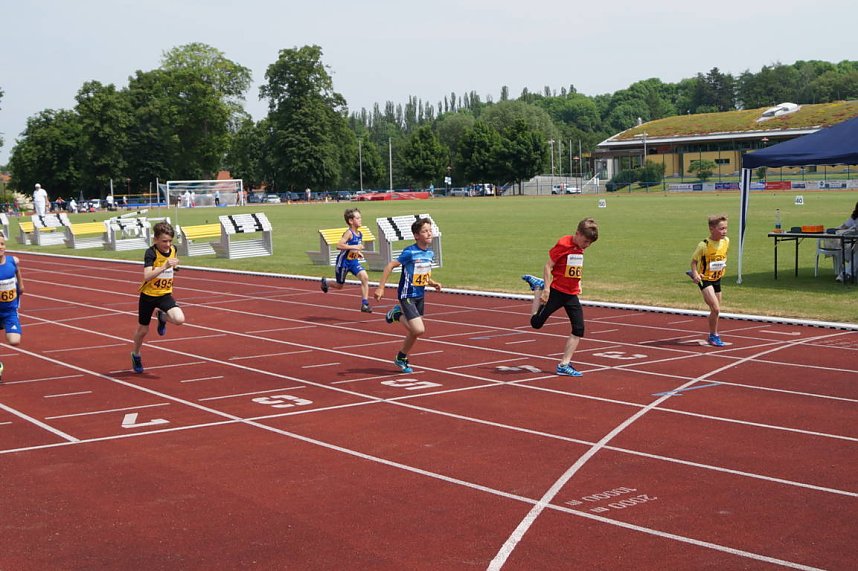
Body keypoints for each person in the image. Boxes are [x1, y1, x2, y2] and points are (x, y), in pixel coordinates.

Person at [521, 217, 599, 377]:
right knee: (536, 324)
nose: (587, 245)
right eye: (585, 241)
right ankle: (537, 287)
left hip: (571, 294)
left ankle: (564, 364)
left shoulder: (580, 247)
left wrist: (578, 283)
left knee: (579, 328)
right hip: (556, 291)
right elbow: (548, 266)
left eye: (590, 243)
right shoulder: (564, 244)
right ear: (577, 234)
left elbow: (575, 268)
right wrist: (546, 289)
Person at [373, 217, 442, 373]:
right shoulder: (409, 252)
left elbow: (422, 274)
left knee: (414, 332)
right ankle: (397, 314)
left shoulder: (429, 253)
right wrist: (381, 288)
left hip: (420, 295)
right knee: (418, 330)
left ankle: (401, 357)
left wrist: (433, 283)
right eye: (425, 231)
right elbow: (390, 266)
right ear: (416, 235)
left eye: (430, 230)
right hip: (407, 294)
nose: (429, 233)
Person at [131, 222, 186, 373]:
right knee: (143, 330)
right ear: (155, 240)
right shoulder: (151, 253)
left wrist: (175, 266)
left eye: (170, 241)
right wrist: (164, 267)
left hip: (165, 294)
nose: (167, 245)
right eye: (164, 241)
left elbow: (173, 265)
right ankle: (136, 354)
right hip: (148, 296)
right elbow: (147, 276)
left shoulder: (173, 249)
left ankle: (162, 316)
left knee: (180, 319)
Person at [689, 214, 730, 347]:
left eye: (726, 228)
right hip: (705, 279)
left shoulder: (726, 241)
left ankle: (712, 334)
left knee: (715, 310)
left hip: (717, 279)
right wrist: (695, 274)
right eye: (721, 228)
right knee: (716, 308)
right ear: (712, 229)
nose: (725, 231)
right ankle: (714, 335)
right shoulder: (704, 245)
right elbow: (694, 262)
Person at [321, 208, 373, 312]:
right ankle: (326, 282)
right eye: (358, 218)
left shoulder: (360, 234)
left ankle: (365, 304)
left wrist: (358, 253)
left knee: (365, 277)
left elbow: (353, 248)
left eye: (360, 217)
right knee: (339, 286)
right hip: (343, 263)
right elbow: (339, 245)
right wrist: (355, 247)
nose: (360, 220)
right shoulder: (348, 233)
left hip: (353, 262)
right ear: (351, 221)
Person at [0, 235, 24, 382]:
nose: (0, 247)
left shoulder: (13, 261)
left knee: (15, 341)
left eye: (2, 244)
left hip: (9, 311)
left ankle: (4, 324)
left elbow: (17, 271)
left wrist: (21, 285)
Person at [831, 200, 858, 282]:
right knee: (845, 251)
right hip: (853, 245)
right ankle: (849, 273)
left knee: (856, 254)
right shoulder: (855, 217)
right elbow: (844, 226)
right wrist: (834, 229)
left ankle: (845, 274)